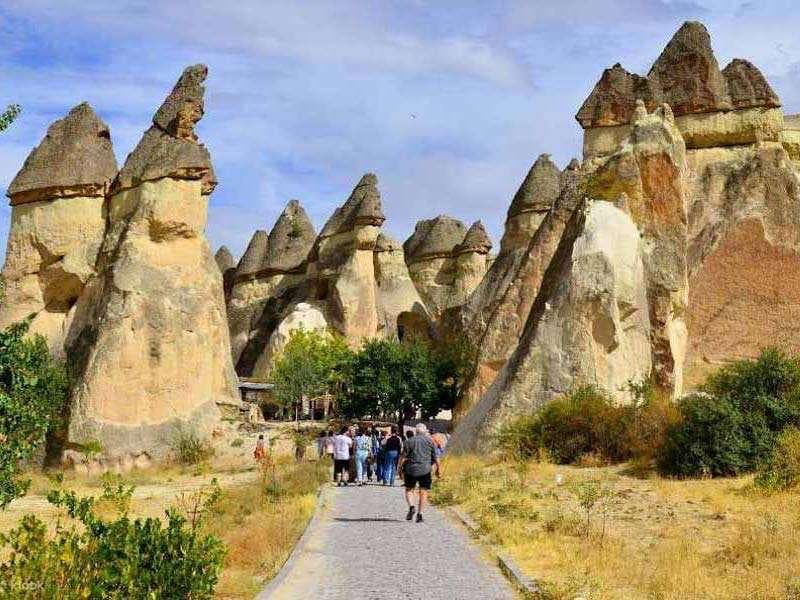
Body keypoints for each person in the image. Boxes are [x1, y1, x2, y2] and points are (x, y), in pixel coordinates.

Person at [399, 423, 440, 523]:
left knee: (409, 489)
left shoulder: (409, 441)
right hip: (425, 469)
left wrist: (399, 468)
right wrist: (438, 469)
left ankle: (411, 506)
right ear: (425, 431)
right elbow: (436, 457)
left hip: (411, 469)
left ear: (416, 432)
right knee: (423, 491)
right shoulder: (430, 441)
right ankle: (420, 514)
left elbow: (403, 457)